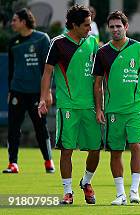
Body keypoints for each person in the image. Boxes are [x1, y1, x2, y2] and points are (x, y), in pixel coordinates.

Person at [92, 10, 140, 205]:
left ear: (126, 27)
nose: (115, 30)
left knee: (136, 145)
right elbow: (97, 85)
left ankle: (134, 190)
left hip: (135, 108)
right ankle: (120, 193)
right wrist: (99, 109)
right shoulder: (103, 52)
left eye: (118, 26)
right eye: (112, 26)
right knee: (115, 151)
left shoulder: (139, 48)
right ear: (108, 28)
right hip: (113, 110)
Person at [38, 5, 101, 205]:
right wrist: (44, 95)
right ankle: (67, 192)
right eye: (85, 25)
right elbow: (47, 72)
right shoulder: (58, 43)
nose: (89, 29)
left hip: (90, 107)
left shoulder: (93, 42)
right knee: (66, 150)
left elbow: (99, 76)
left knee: (95, 150)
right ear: (74, 25)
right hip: (68, 106)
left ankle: (86, 182)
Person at [4, 8, 53, 174]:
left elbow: (48, 69)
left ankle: (48, 161)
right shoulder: (13, 43)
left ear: (24, 22)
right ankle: (13, 163)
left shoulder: (42, 39)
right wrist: (10, 90)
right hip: (17, 91)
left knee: (40, 127)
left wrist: (46, 94)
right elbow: (11, 69)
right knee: (13, 128)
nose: (12, 23)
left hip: (36, 93)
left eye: (14, 20)